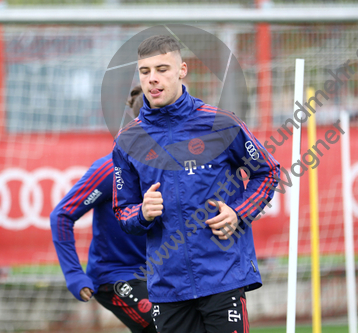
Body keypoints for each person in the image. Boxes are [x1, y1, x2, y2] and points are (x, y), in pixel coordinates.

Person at [112, 35, 280, 333]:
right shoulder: (127, 142)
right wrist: (142, 213)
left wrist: (238, 213)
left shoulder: (222, 124)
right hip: (168, 287)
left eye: (162, 69)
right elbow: (123, 213)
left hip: (223, 276)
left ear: (182, 70)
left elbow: (267, 173)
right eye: (145, 71)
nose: (153, 79)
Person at [50, 86, 157, 333]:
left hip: (162, 272)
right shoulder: (110, 169)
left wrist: (237, 208)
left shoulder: (181, 165)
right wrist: (74, 274)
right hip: (117, 277)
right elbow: (62, 215)